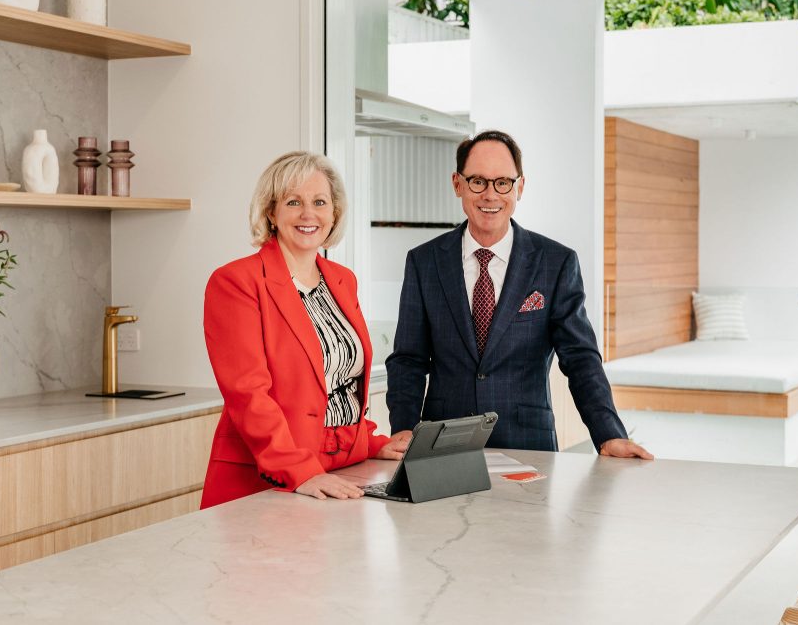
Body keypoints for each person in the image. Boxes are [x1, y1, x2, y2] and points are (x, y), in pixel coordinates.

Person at [386, 130, 652, 458]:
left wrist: (609, 434)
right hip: (443, 445)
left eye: (503, 182)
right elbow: (408, 359)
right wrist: (403, 427)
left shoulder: (555, 263)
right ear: (457, 184)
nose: (490, 194)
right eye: (477, 181)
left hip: (528, 444)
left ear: (520, 187)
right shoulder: (424, 261)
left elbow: (580, 358)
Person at [200, 151, 407, 508]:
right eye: (293, 202)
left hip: (339, 473)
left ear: (334, 213)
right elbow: (248, 394)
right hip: (264, 481)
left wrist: (371, 442)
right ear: (271, 212)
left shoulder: (343, 281)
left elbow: (339, 385)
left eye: (320, 202)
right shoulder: (236, 282)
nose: (308, 214)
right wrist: (301, 471)